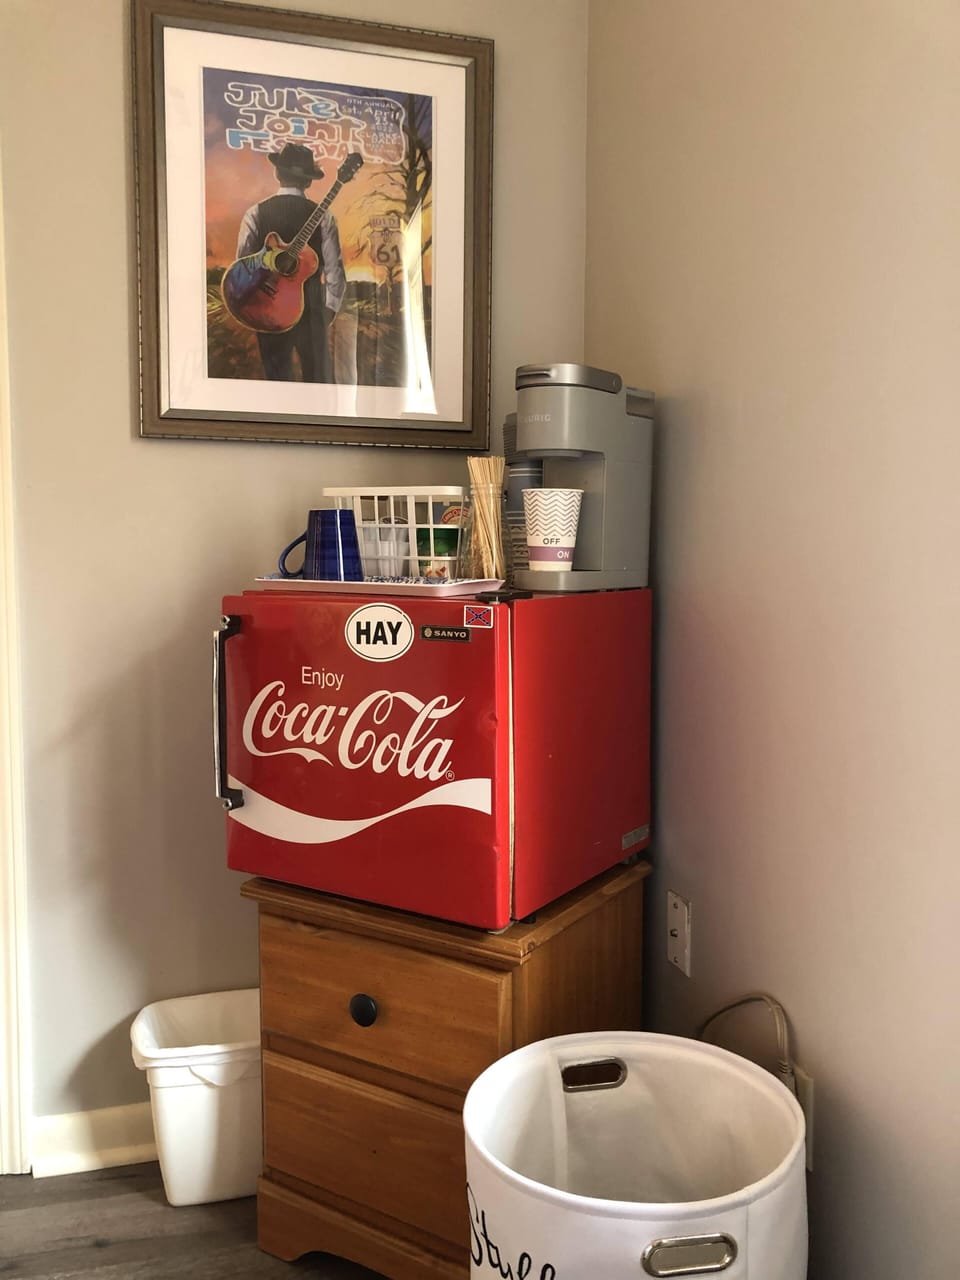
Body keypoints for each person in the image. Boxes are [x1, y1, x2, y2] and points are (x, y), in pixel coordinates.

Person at [236, 142, 346, 383]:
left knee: (276, 382)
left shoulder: (255, 213)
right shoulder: (325, 217)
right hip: (312, 311)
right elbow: (335, 271)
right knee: (318, 381)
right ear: (308, 181)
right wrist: (329, 309)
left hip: (268, 309)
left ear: (277, 173)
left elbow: (242, 264)